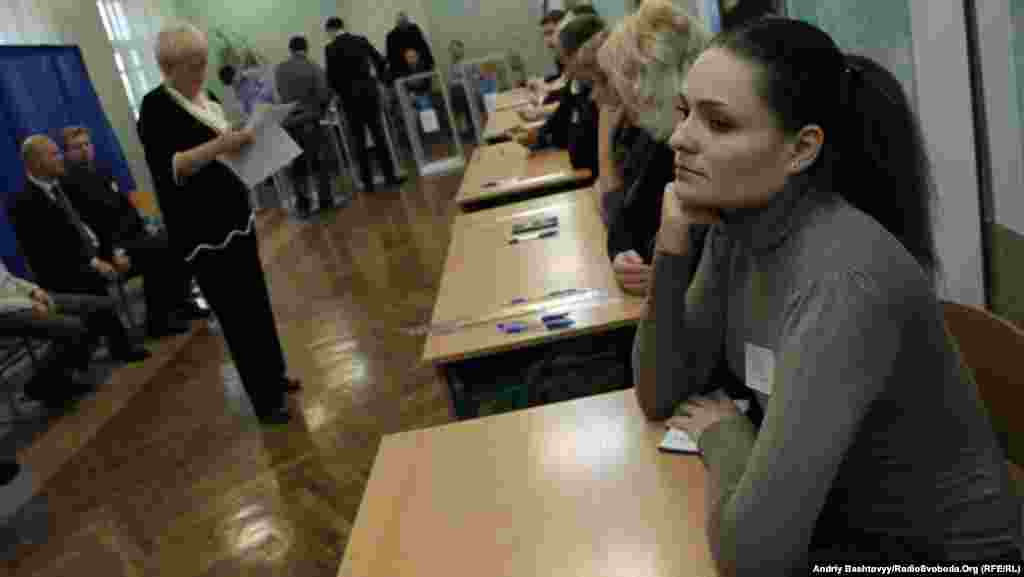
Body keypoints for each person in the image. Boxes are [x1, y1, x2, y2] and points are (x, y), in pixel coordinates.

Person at [634, 17, 1022, 570]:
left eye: (718, 123)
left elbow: (753, 560)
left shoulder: (845, 279)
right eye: (684, 112)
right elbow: (660, 391)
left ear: (801, 150)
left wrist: (724, 436)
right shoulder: (737, 229)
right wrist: (671, 249)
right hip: (839, 532)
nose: (680, 138)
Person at [138, 21, 300, 425]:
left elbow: (223, 148)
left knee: (257, 302)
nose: (200, 72)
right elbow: (172, 166)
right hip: (202, 229)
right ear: (168, 67)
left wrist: (246, 140)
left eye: (202, 63)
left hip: (234, 214)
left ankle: (276, 375)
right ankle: (264, 399)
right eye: (192, 65)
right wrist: (221, 145)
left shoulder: (207, 96)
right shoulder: (156, 105)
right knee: (235, 313)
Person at [590, 0, 709, 297]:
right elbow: (624, 219)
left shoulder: (698, 152)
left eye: (616, 81)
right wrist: (621, 257)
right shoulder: (657, 140)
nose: (613, 96)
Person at [61, 125, 203, 336]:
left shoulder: (100, 171)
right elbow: (93, 225)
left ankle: (181, 303)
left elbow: (125, 206)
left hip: (130, 236)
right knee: (160, 249)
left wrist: (145, 225)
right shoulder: (70, 183)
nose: (84, 149)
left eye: (87, 144)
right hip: (110, 249)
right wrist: (115, 250)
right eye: (76, 147)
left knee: (180, 237)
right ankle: (159, 320)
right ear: (66, 153)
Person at [0, 255, 149, 410]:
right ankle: (46, 384)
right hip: (6, 313)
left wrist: (34, 290)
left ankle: (51, 381)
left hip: (23, 301)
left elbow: (7, 280)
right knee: (73, 327)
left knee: (99, 306)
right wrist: (28, 304)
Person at [514, 15, 605, 177]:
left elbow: (585, 149)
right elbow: (559, 123)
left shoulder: (600, 93)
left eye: (567, 60)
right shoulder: (578, 86)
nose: (567, 69)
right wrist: (539, 138)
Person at [324, 17, 403, 193]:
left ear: (330, 30)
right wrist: (378, 81)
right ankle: (390, 177)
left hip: (350, 101)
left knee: (358, 141)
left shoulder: (330, 49)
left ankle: (368, 183)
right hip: (369, 94)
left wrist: (341, 93)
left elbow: (331, 78)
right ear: (343, 26)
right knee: (379, 136)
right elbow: (381, 60)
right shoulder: (361, 40)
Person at [275, 36, 334, 216]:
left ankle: (303, 204)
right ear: (306, 49)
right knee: (317, 161)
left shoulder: (280, 69)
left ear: (290, 50)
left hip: (290, 123)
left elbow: (279, 93)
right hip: (309, 120)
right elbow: (323, 93)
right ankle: (325, 201)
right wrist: (322, 109)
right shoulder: (312, 66)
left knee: (298, 164)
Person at [386, 11, 434, 82]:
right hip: (402, 70)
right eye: (400, 22)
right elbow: (391, 57)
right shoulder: (391, 36)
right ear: (397, 23)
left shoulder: (414, 29)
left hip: (420, 67)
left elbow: (424, 47)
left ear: (407, 21)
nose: (403, 24)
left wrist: (430, 63)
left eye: (404, 21)